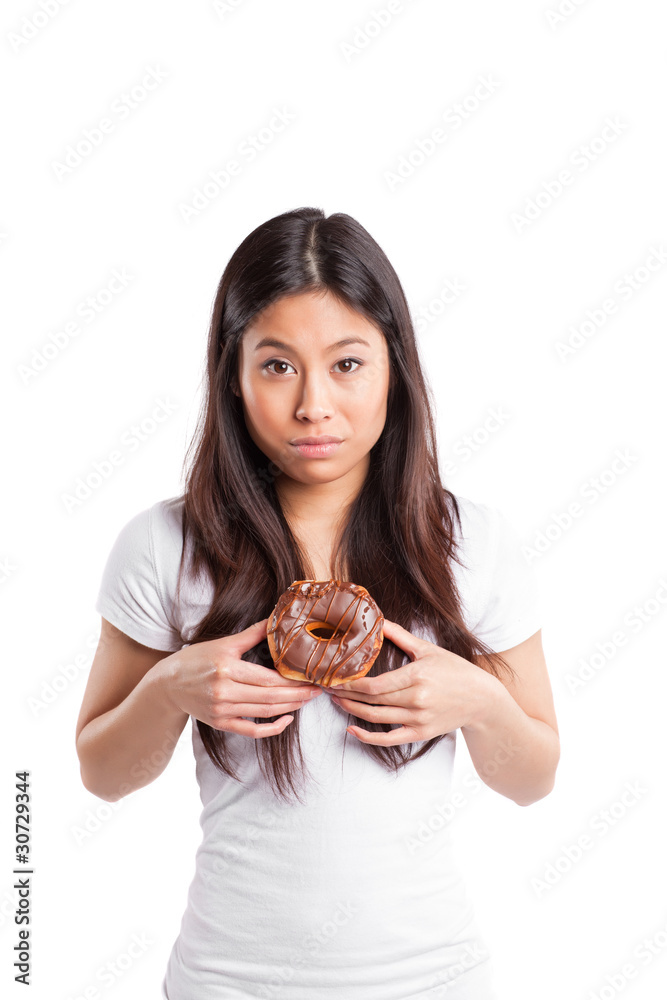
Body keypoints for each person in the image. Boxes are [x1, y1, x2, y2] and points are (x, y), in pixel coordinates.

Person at [75, 206, 560, 999]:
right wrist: (170, 690)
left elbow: (532, 779)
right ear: (231, 373)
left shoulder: (472, 540)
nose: (313, 407)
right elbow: (102, 772)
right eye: (276, 366)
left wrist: (476, 701)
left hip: (431, 979)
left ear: (394, 368)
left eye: (346, 364)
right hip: (227, 982)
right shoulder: (164, 543)